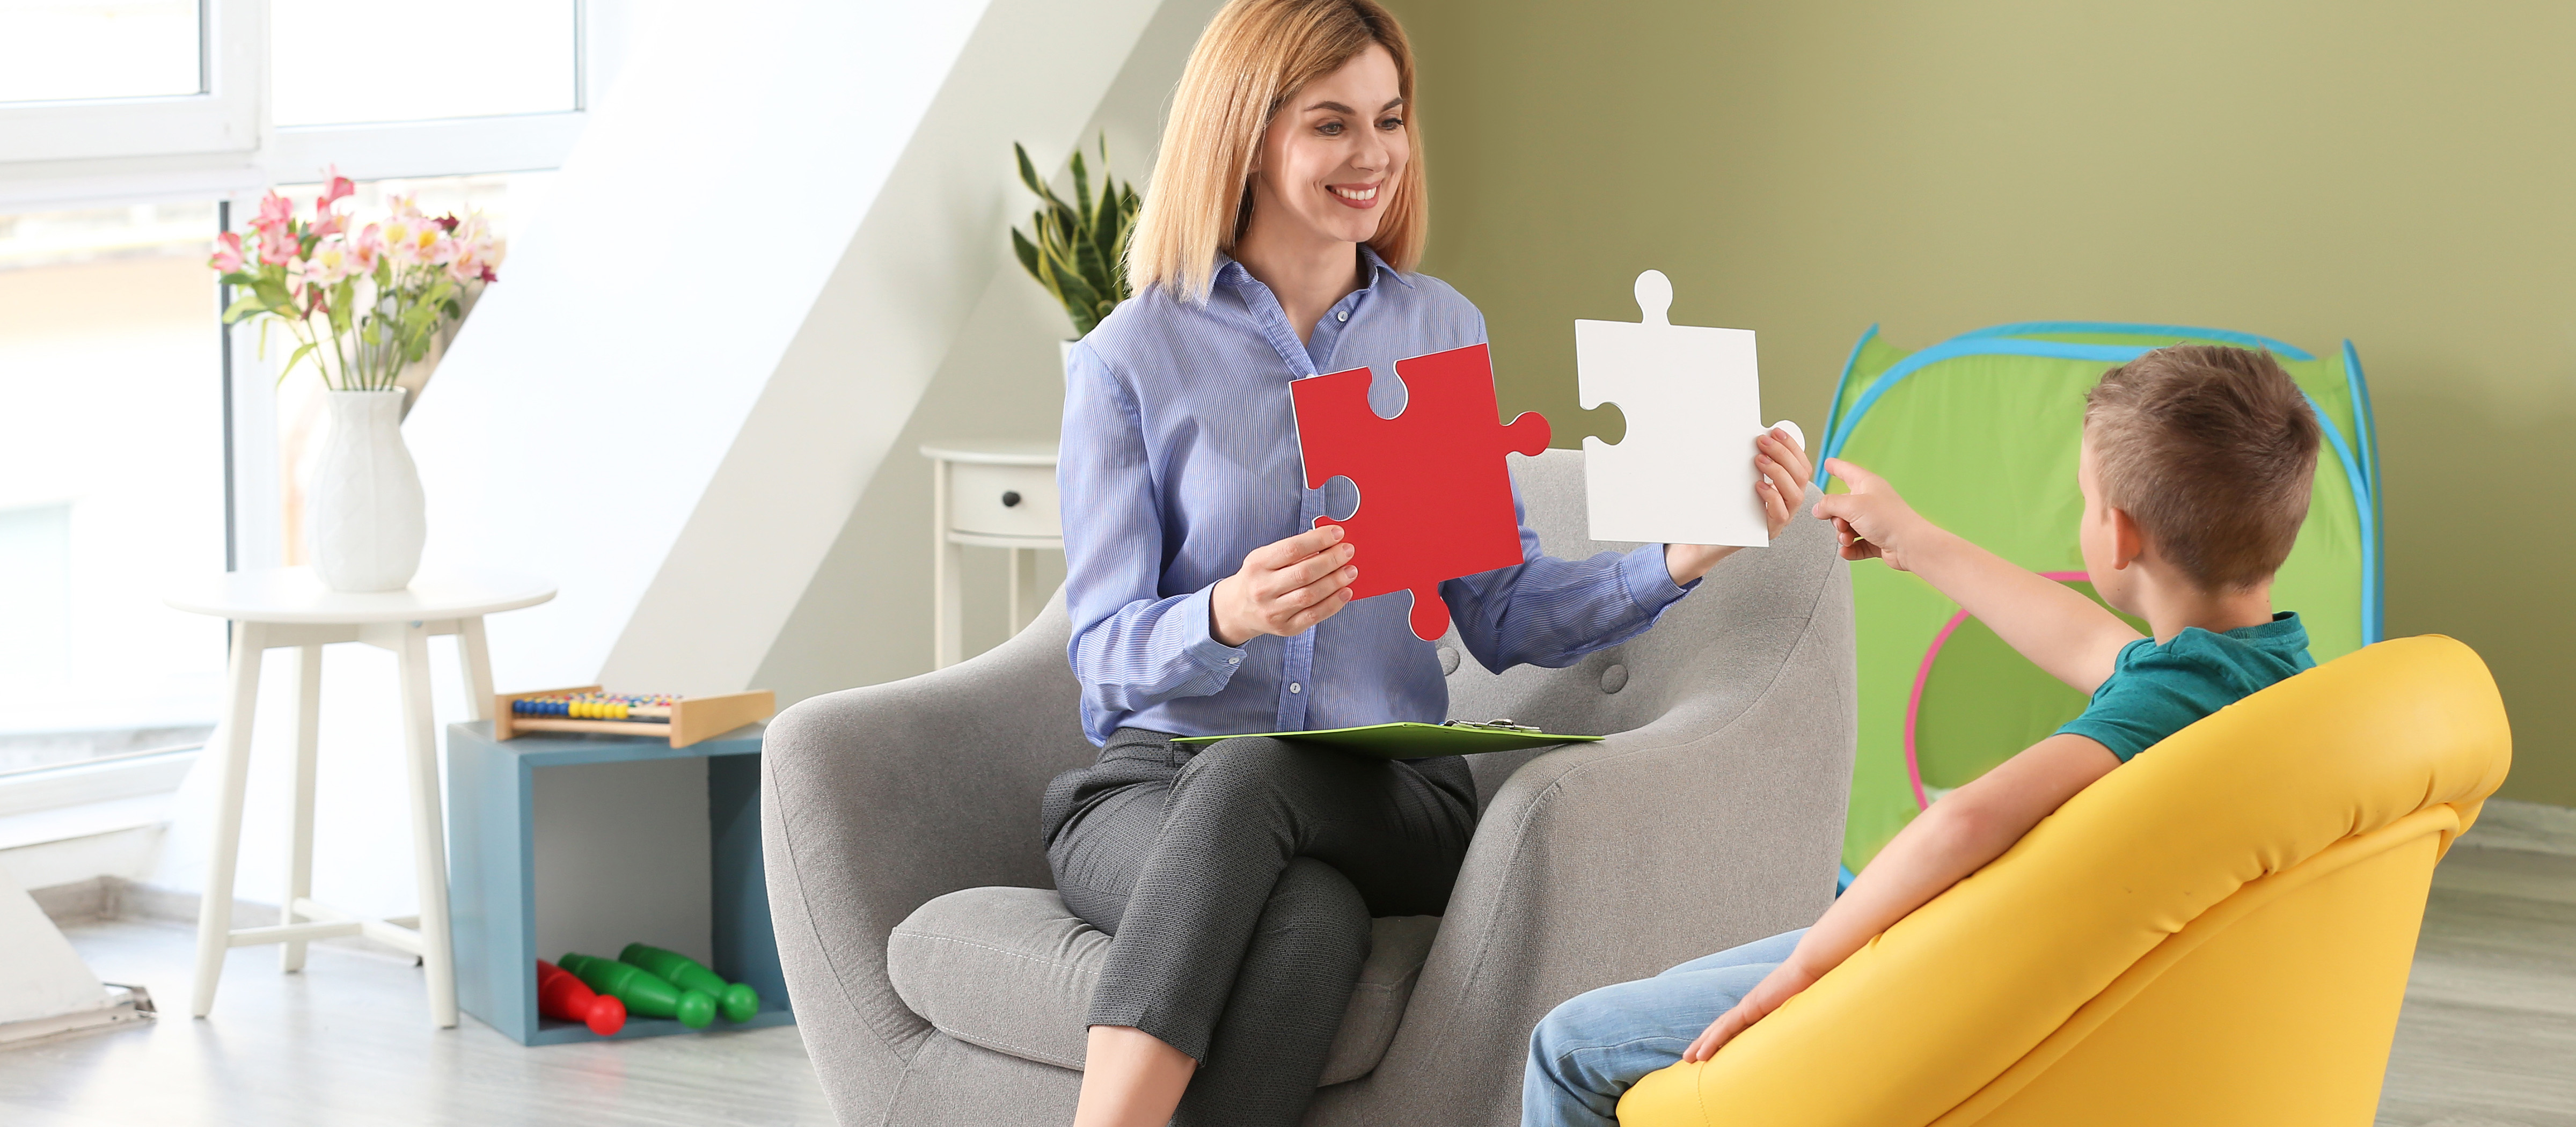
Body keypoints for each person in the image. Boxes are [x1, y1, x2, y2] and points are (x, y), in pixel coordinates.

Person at [1043, 2, 1812, 1124]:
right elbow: (1104, 662)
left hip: (1384, 801)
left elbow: (1499, 612)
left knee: (1262, 776)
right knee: (1308, 922)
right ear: (1246, 136)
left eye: (1390, 119)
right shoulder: (1132, 357)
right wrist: (1226, 614)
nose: (1375, 157)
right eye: (1332, 125)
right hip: (1150, 786)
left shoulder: (1436, 331)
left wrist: (1674, 559)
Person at [1520, 344, 2325, 1126]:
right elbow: (2089, 645)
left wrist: (1804, 974)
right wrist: (1913, 539)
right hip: (1982, 954)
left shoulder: (2168, 700)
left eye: (2084, 498)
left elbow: (1964, 821)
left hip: (1951, 982)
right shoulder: (2259, 668)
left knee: (1569, 1047)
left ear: (2116, 533)